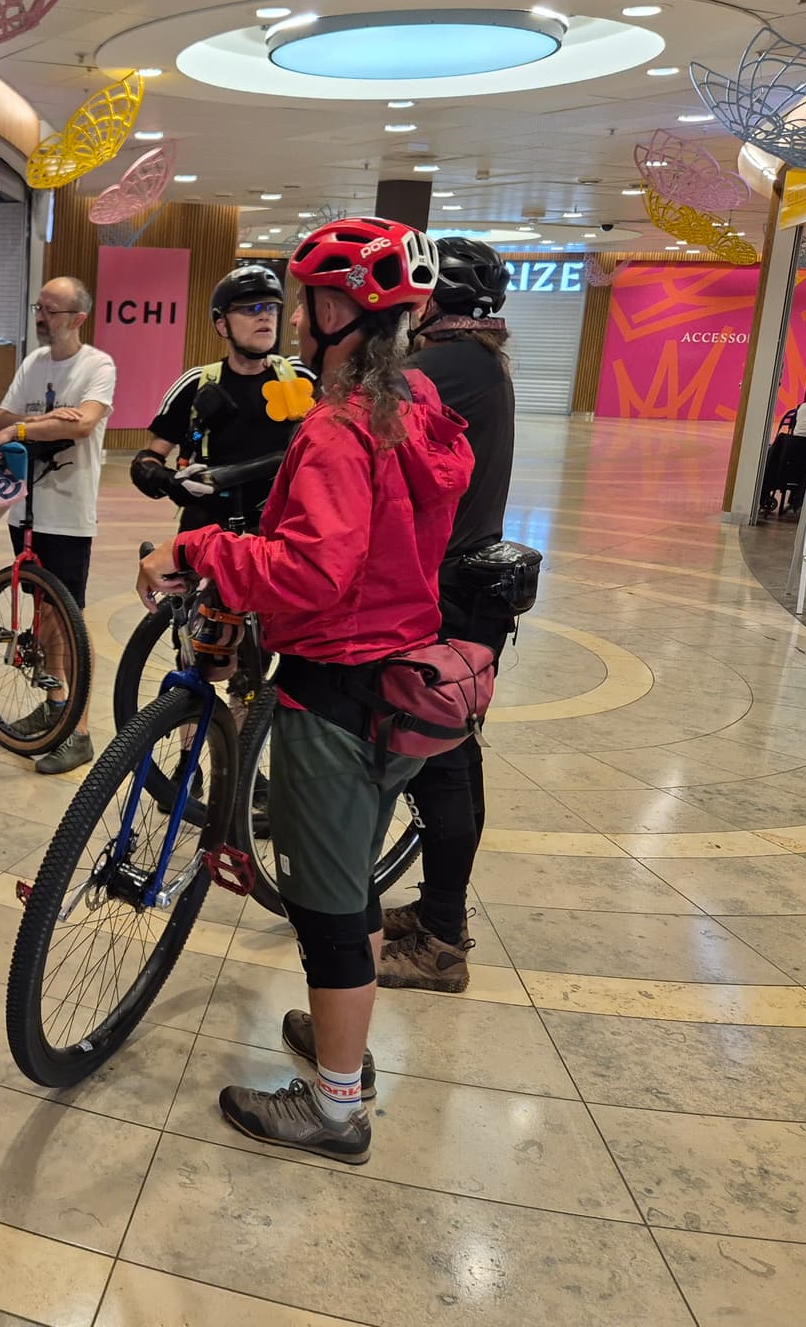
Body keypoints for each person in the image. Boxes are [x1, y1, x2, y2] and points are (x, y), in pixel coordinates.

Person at [137, 217, 471, 1163]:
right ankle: (343, 1044)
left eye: (305, 303)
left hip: (334, 688)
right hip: (401, 680)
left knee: (326, 910)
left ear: (340, 315)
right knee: (354, 878)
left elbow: (312, 572)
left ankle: (334, 1106)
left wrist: (198, 547)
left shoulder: (335, 429)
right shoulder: (417, 410)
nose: (290, 319)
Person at [377, 236, 514, 993]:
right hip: (467, 591)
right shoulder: (480, 359)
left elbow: (357, 418)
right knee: (451, 756)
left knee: (443, 765)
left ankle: (441, 941)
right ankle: (437, 910)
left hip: (450, 594)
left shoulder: (445, 365)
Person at [0, 276, 116, 775]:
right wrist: (45, 422)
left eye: (52, 311)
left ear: (78, 318)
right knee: (43, 616)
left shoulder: (97, 365)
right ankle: (55, 704)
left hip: (68, 514)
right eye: (38, 307)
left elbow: (83, 423)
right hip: (25, 509)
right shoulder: (34, 362)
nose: (41, 318)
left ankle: (78, 732)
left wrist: (26, 426)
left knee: (69, 619)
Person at [133, 265, 314, 532]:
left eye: (271, 308)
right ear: (222, 324)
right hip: (210, 527)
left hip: (280, 526)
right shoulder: (197, 382)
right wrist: (170, 482)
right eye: (251, 309)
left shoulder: (302, 375)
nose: (264, 316)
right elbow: (148, 459)